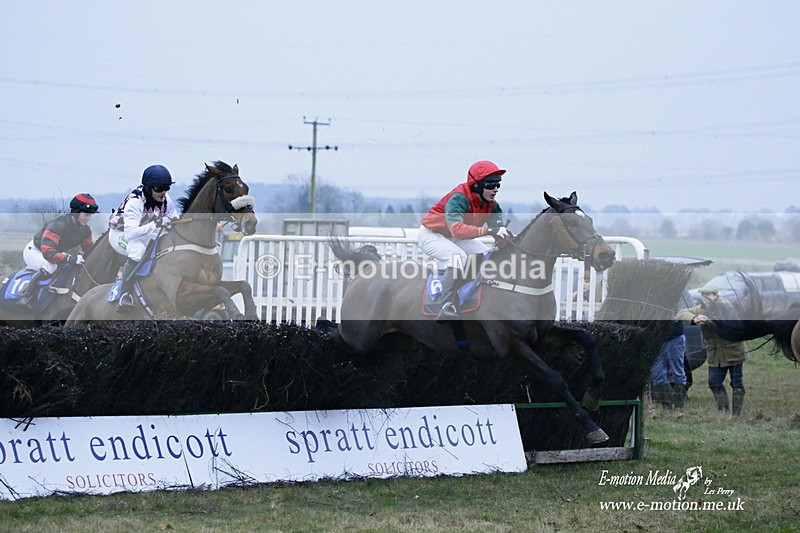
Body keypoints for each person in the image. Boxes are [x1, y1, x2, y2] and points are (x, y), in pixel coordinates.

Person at [418, 160, 509, 321]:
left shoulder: (491, 205)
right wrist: (488, 231)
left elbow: (499, 230)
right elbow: (457, 230)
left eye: (498, 185)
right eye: (490, 185)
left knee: (485, 253)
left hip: (454, 237)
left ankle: (468, 292)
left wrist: (505, 239)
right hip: (431, 235)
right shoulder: (458, 198)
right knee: (458, 257)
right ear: (476, 185)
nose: (495, 189)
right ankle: (445, 305)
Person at [108, 164, 179, 311]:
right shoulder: (135, 202)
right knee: (138, 251)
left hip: (144, 231)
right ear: (148, 187)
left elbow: (174, 220)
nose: (163, 192)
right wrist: (158, 223)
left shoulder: (166, 200)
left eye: (166, 188)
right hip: (120, 233)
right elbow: (131, 233)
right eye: (159, 189)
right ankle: (124, 294)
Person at [17, 193, 99, 308]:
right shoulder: (57, 225)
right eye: (86, 215)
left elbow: (90, 251)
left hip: (53, 252)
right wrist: (71, 258)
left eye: (90, 216)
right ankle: (25, 296)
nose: (88, 219)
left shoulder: (85, 230)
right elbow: (48, 252)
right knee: (50, 267)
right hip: (35, 251)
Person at [676, 285, 747, 416]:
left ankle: (736, 414)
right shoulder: (701, 308)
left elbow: (731, 322)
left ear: (716, 295)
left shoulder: (726, 306)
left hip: (733, 351)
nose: (705, 298)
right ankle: (723, 412)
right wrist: (694, 318)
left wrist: (709, 321)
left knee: (737, 383)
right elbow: (681, 313)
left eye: (708, 295)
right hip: (715, 354)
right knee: (714, 382)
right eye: (703, 295)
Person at [650, 320, 687, 410]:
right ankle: (667, 406)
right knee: (657, 374)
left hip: (674, 336)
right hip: (655, 338)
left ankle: (678, 406)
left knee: (677, 372)